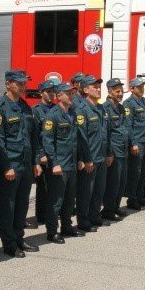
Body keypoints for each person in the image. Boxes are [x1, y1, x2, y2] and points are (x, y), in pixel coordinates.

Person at [0, 70, 42, 258]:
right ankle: (9, 244)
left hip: (26, 165)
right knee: (7, 206)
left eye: (24, 83)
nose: (23, 86)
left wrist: (35, 161)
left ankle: (19, 238)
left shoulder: (26, 107)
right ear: (8, 84)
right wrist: (6, 166)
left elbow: (33, 137)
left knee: (22, 205)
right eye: (18, 83)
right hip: (10, 166)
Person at [40, 83, 88, 242]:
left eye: (72, 93)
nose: (71, 95)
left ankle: (67, 227)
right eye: (68, 93)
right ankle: (52, 231)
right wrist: (54, 163)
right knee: (56, 201)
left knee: (69, 199)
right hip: (59, 165)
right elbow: (47, 141)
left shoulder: (73, 113)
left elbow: (77, 139)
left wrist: (80, 158)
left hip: (72, 164)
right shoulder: (52, 115)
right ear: (59, 96)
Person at [77, 75, 112, 230]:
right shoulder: (81, 110)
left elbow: (107, 133)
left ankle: (95, 216)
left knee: (99, 191)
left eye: (99, 87)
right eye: (94, 87)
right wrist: (85, 159)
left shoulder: (101, 108)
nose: (98, 89)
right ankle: (83, 221)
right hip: (90, 158)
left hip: (101, 157)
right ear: (85, 90)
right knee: (86, 193)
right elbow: (80, 138)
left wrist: (109, 153)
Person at [124, 77, 145, 210]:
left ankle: (139, 196)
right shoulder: (128, 104)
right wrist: (133, 143)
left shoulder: (144, 100)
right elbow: (128, 125)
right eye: (139, 87)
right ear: (132, 88)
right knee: (135, 172)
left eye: (143, 86)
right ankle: (132, 199)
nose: (142, 89)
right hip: (138, 142)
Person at [102, 78, 130, 220]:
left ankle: (116, 206)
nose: (120, 93)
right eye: (117, 91)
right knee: (113, 182)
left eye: (121, 91)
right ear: (110, 91)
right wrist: (109, 153)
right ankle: (108, 210)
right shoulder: (105, 108)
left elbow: (124, 128)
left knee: (121, 182)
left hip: (123, 149)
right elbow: (106, 132)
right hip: (114, 150)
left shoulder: (121, 108)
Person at [31, 79, 58, 227]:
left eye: (53, 91)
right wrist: (39, 155)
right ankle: (41, 215)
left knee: (53, 187)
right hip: (43, 155)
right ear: (41, 93)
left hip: (54, 153)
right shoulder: (36, 111)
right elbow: (35, 136)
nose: (51, 94)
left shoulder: (55, 109)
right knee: (43, 188)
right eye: (48, 91)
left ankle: (51, 213)